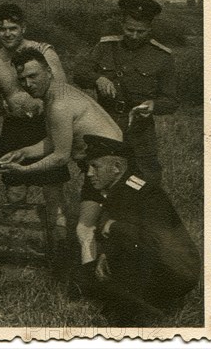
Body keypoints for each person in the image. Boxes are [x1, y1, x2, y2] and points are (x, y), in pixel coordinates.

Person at [0, 48, 122, 265]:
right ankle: (89, 277)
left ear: (49, 71)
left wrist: (24, 170)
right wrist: (22, 153)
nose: (28, 84)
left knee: (95, 228)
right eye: (22, 79)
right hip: (106, 163)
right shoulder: (58, 93)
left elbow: (60, 157)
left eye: (33, 76)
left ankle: (91, 281)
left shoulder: (58, 104)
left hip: (113, 167)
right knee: (92, 227)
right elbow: (55, 140)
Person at [70, 135, 200, 326]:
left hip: (178, 272)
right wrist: (106, 254)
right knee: (94, 270)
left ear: (116, 168)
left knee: (127, 245)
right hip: (163, 263)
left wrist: (113, 227)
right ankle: (132, 304)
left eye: (95, 166)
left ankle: (135, 315)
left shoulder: (144, 193)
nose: (89, 173)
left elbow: (151, 240)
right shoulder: (122, 188)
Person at [0, 3, 70, 249]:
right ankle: (17, 244)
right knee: (14, 190)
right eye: (2, 29)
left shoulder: (43, 51)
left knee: (52, 190)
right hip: (15, 128)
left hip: (46, 125)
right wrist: (0, 105)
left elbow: (61, 90)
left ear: (23, 27)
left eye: (13, 28)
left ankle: (59, 246)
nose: (8, 34)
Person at [74, 0, 179, 185]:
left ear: (150, 29)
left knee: (143, 180)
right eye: (130, 30)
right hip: (105, 122)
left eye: (141, 31)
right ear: (122, 25)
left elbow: (171, 101)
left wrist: (153, 105)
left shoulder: (162, 57)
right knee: (100, 174)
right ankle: (104, 211)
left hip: (140, 129)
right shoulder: (106, 47)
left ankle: (135, 210)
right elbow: (80, 72)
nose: (134, 36)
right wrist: (98, 78)